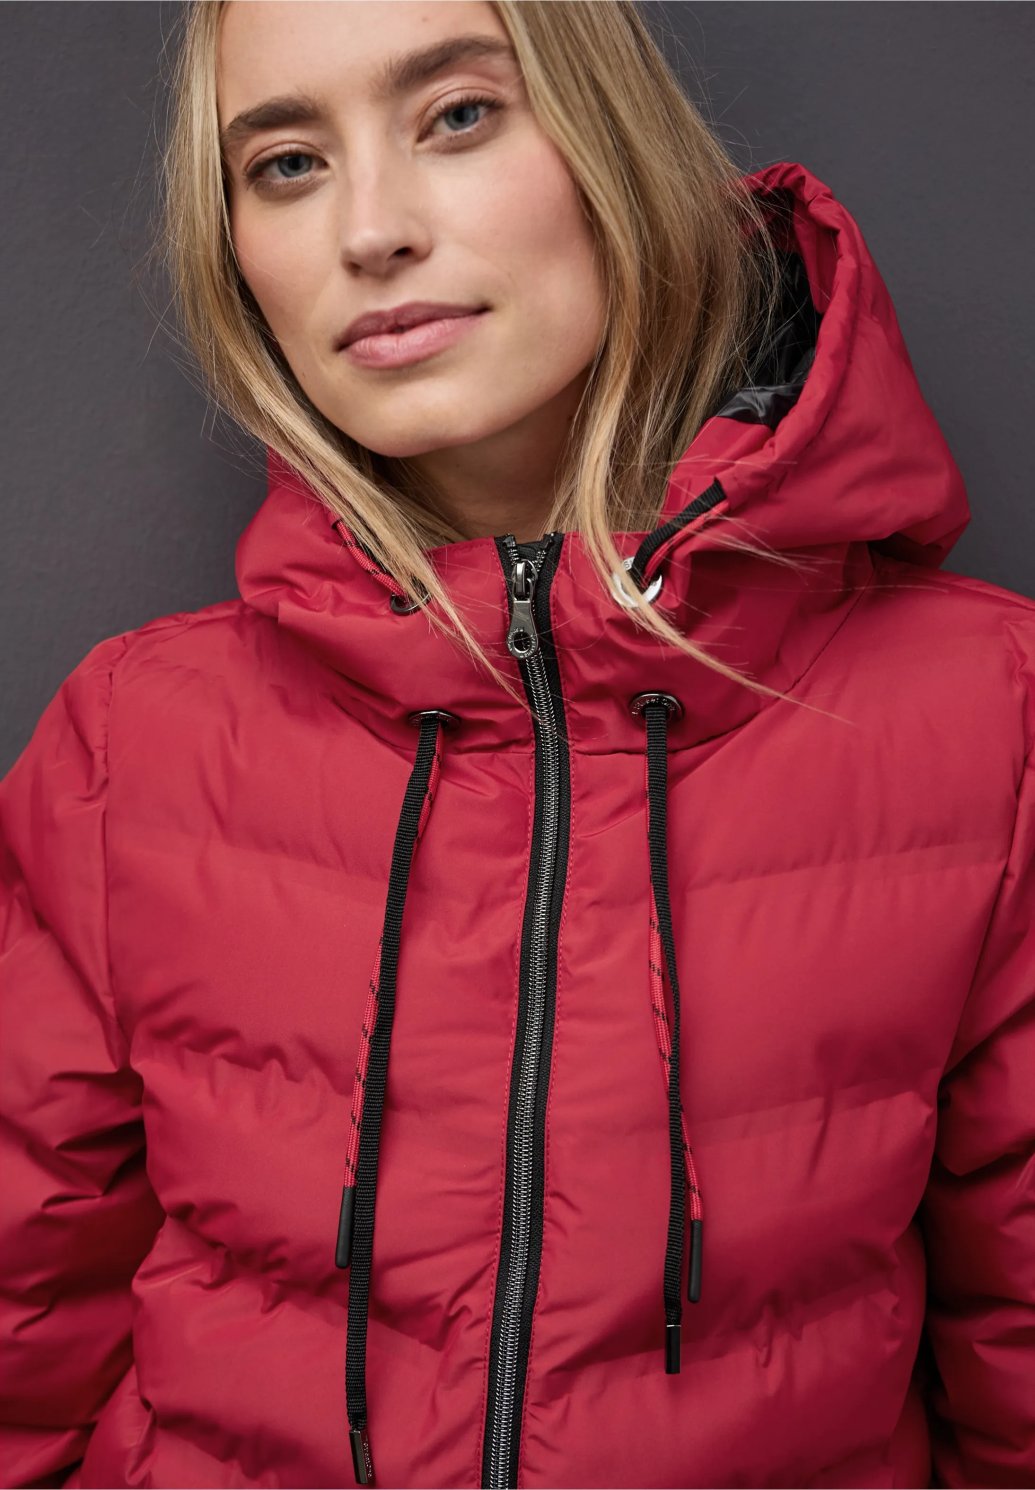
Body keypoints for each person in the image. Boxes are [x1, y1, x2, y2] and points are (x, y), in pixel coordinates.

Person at [1, 0, 1032, 1486]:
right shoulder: (129, 744)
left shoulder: (992, 719)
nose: (370, 230)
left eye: (458, 116)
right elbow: (24, 1348)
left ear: (609, 139)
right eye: (286, 164)